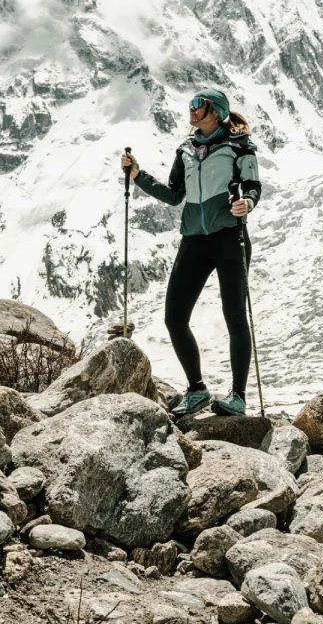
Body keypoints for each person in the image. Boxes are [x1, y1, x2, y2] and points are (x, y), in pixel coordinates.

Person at [121, 89, 262, 417]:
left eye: (198, 105)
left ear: (216, 111)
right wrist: (137, 176)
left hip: (230, 237)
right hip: (194, 240)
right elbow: (173, 195)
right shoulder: (185, 148)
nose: (192, 109)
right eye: (191, 104)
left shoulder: (240, 147)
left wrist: (248, 203)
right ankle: (197, 389)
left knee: (236, 318)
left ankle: (238, 396)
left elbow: (253, 186)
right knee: (174, 317)